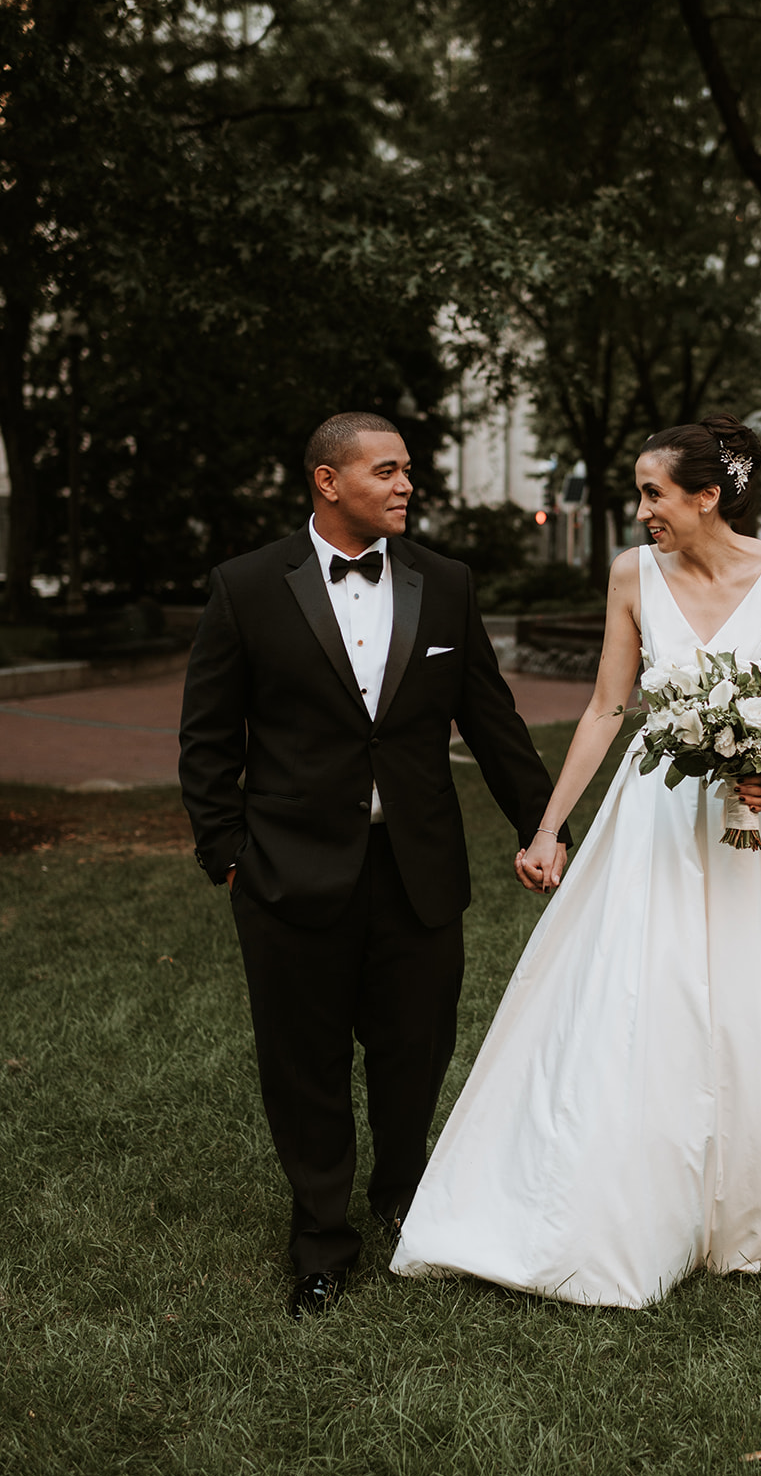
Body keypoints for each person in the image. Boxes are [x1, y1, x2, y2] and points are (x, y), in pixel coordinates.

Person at [391, 414, 761, 1309]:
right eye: (640, 494)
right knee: (642, 987)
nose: (642, 511)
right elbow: (606, 707)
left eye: (653, 493)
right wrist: (548, 827)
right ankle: (626, 1194)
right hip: (654, 817)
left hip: (760, 821)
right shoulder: (632, 575)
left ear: (708, 495)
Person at [178, 411, 568, 1320]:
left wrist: (544, 825)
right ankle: (320, 1239)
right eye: (385, 471)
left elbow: (492, 720)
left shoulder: (445, 582)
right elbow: (207, 737)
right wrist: (228, 858)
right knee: (303, 1062)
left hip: (416, 869)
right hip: (286, 872)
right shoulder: (246, 587)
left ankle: (404, 1202)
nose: (405, 486)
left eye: (407, 471)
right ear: (328, 481)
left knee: (414, 1050)